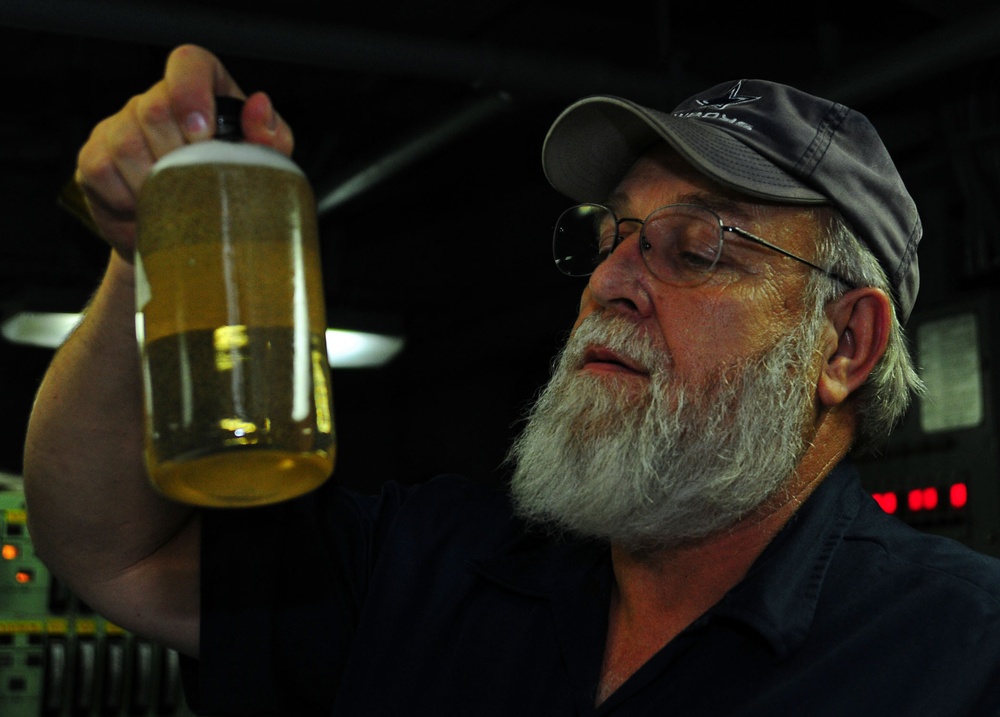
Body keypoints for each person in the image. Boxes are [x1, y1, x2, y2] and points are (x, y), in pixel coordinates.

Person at [23, 44, 1000, 716]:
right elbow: (111, 549)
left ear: (845, 345)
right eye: (610, 233)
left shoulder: (963, 656)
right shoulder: (429, 566)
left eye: (697, 247)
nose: (613, 280)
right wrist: (144, 248)